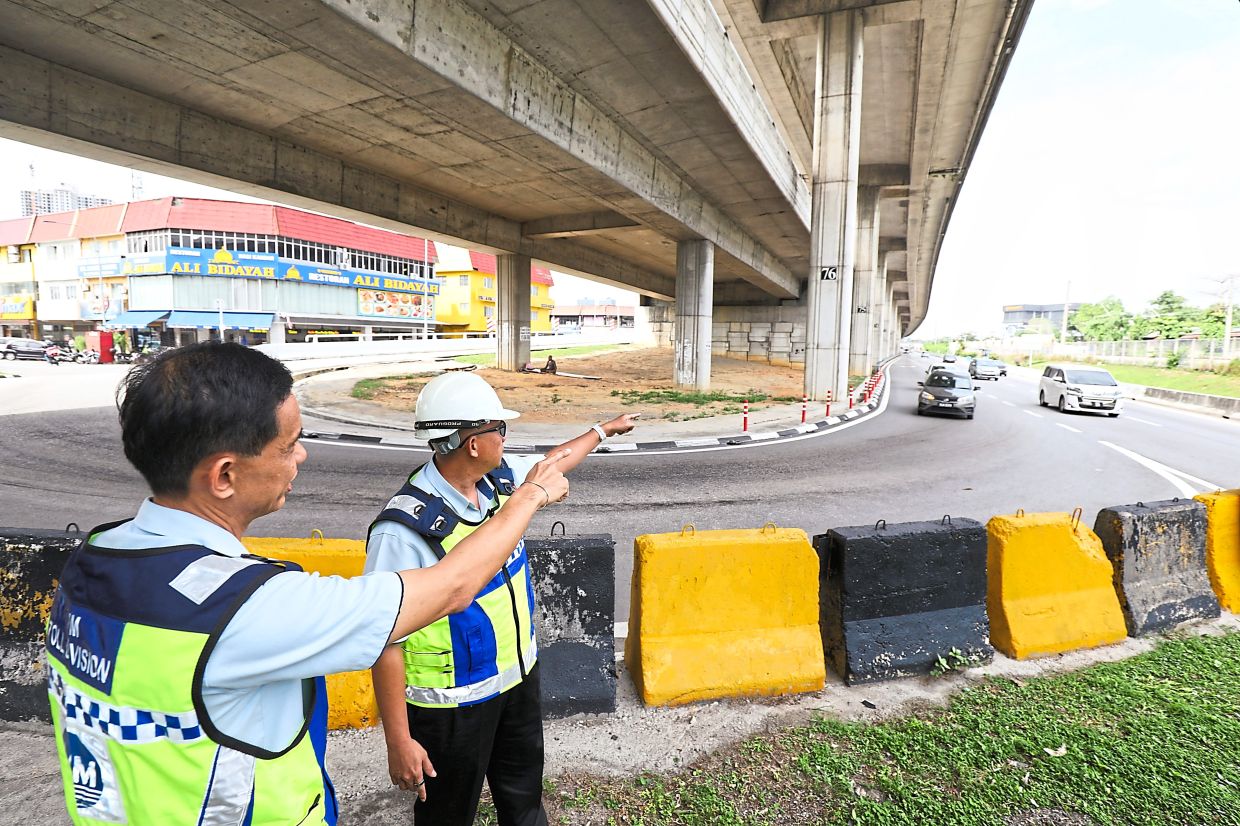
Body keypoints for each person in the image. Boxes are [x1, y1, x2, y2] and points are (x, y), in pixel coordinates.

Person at [43, 342, 570, 825]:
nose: (302, 457)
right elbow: (451, 588)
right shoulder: (251, 607)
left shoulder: (92, 562)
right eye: (289, 444)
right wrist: (531, 497)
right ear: (224, 475)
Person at [365, 372, 638, 825]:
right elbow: (382, 638)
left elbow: (553, 462)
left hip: (516, 682)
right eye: (500, 429)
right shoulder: (403, 531)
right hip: (451, 708)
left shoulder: (500, 483)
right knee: (448, 816)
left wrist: (602, 430)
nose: (507, 439)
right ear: (472, 442)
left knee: (525, 801)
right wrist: (398, 739)